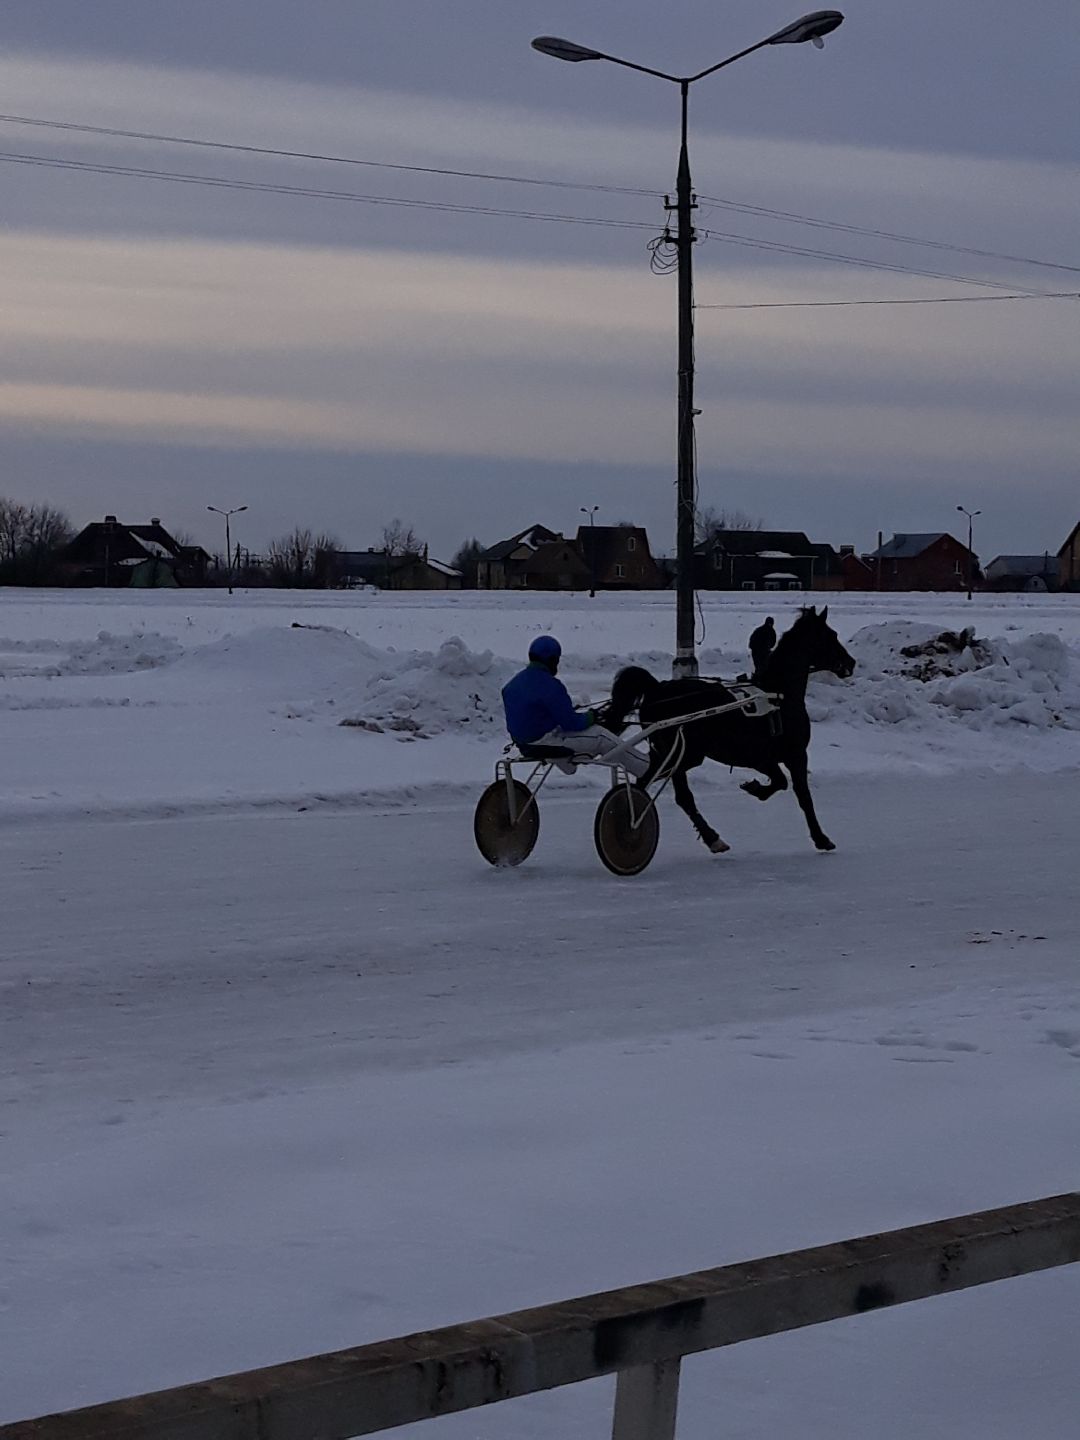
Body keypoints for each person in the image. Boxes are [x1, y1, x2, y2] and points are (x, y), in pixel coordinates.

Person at [502, 635, 649, 777]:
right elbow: (571, 723)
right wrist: (591, 716)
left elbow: (536, 716)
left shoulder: (513, 684)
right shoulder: (551, 686)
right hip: (546, 742)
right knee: (601, 735)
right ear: (552, 660)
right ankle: (646, 768)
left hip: (525, 744)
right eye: (556, 660)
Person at [749, 615, 776, 680]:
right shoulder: (760, 631)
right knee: (759, 667)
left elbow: (773, 642)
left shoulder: (771, 632)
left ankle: (759, 679)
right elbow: (752, 641)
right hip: (757, 652)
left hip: (764, 652)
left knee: (762, 667)